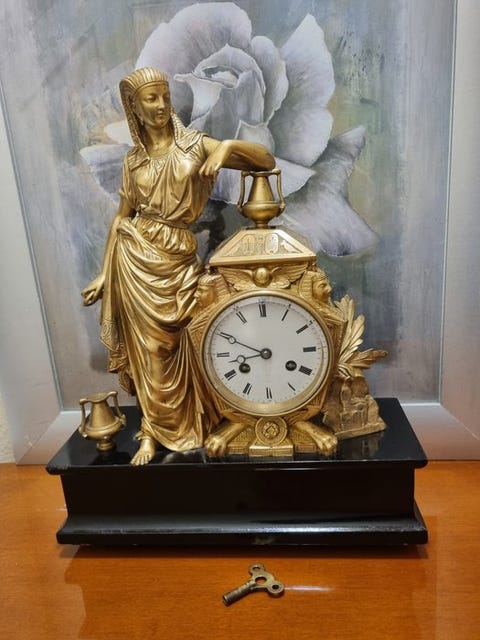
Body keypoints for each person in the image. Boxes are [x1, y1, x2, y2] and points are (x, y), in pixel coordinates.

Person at [81, 67, 275, 465]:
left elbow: (265, 161)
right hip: (135, 259)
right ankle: (152, 432)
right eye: (150, 99)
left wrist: (225, 148)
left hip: (179, 258)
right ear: (134, 108)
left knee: (194, 339)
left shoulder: (194, 146)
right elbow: (122, 218)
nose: (161, 105)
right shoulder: (133, 162)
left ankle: (204, 420)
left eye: (165, 96)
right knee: (149, 352)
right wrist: (104, 272)